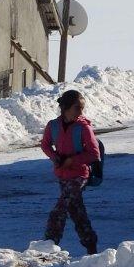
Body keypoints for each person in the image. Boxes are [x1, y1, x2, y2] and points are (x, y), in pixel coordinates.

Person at [39, 90, 100, 255]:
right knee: (76, 211)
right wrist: (55, 157)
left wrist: (72, 160)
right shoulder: (53, 126)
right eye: (76, 108)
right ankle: (91, 246)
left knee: (59, 210)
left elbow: (94, 154)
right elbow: (45, 145)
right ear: (65, 108)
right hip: (62, 175)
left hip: (79, 175)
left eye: (82, 108)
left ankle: (49, 244)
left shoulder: (83, 127)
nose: (80, 112)